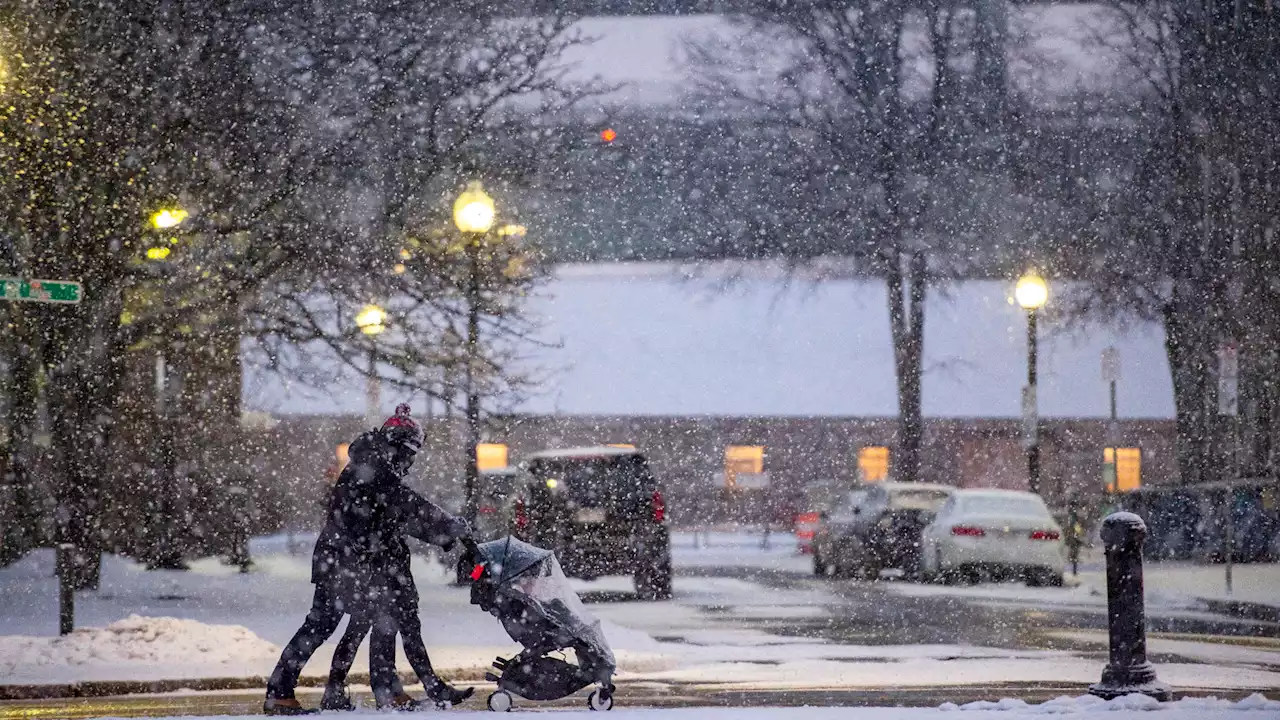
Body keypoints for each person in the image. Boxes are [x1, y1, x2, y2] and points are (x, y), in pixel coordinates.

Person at [263, 405, 470, 715]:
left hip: (352, 561)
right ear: (397, 445)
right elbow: (406, 501)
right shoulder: (374, 466)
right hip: (343, 562)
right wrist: (445, 521)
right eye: (409, 453)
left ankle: (384, 691)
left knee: (374, 618)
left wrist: (442, 536)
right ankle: (281, 692)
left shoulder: (375, 464)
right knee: (323, 625)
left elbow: (396, 516)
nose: (410, 462)